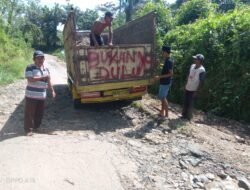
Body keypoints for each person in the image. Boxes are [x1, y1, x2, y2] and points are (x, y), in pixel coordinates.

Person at [24, 50, 56, 134]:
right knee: (29, 113)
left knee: (39, 113)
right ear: (34, 59)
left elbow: (49, 81)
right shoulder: (30, 67)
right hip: (31, 95)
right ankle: (28, 130)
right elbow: (30, 79)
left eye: (42, 58)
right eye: (38, 58)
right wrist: (42, 77)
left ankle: (36, 128)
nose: (40, 59)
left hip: (41, 96)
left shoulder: (46, 69)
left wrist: (52, 91)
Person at [181, 54, 206, 120]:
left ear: (199, 61)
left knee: (191, 103)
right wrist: (185, 85)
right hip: (188, 87)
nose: (194, 60)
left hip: (194, 89)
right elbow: (188, 75)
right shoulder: (192, 66)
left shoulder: (202, 70)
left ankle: (188, 117)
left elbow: (201, 82)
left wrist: (197, 91)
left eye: (196, 59)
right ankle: (184, 115)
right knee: (185, 101)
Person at [154, 46, 174, 118]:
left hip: (166, 82)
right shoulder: (167, 60)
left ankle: (167, 114)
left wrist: (159, 77)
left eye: (162, 52)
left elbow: (171, 73)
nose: (162, 53)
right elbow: (166, 68)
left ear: (165, 52)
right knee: (163, 97)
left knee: (163, 98)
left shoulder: (169, 61)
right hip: (164, 82)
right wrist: (159, 64)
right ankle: (162, 112)